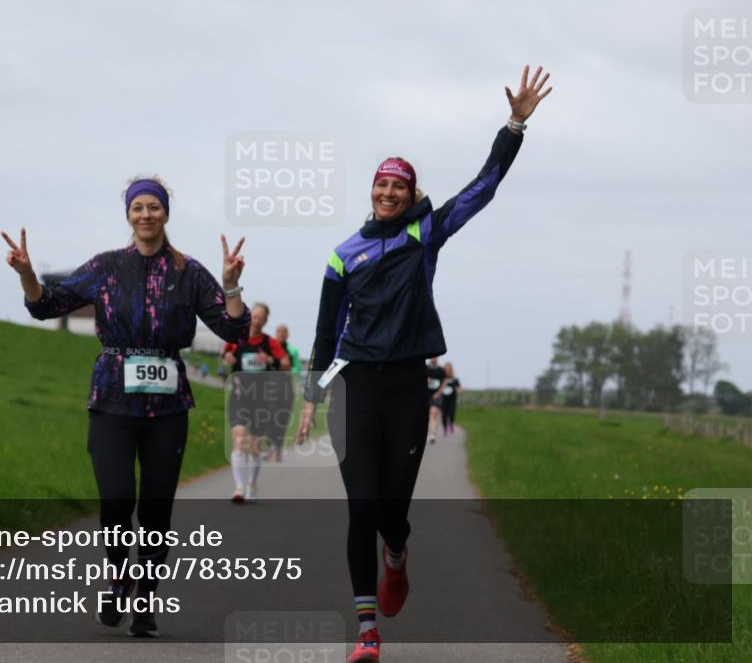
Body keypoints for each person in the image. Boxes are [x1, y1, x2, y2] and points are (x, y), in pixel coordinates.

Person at [296, 66, 551, 663]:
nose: (388, 194)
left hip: (409, 386)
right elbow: (325, 330)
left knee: (392, 513)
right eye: (381, 185)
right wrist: (311, 396)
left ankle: (397, 555)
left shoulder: (426, 235)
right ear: (371, 191)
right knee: (361, 506)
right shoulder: (342, 255)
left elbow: (481, 188)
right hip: (355, 385)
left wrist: (514, 125)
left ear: (410, 195)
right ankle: (365, 631)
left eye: (399, 188)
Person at [4, 176, 250, 637]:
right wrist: (26, 273)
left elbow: (233, 331)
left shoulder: (189, 272)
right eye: (137, 207)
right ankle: (119, 574)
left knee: (156, 512)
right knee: (117, 499)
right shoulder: (106, 267)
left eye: (153, 207)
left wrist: (232, 286)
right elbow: (46, 307)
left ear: (165, 214)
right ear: (128, 215)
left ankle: (145, 600)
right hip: (113, 399)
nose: (145, 215)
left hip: (168, 406)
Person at [221, 303, 290, 500]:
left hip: (261, 400)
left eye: (261, 318)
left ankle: (252, 484)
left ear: (266, 321)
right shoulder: (237, 338)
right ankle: (239, 488)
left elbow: (285, 365)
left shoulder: (270, 343)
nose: (257, 321)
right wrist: (228, 358)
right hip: (239, 397)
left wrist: (269, 360)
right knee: (240, 439)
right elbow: (224, 355)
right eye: (255, 316)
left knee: (256, 446)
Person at [268, 324, 300, 461]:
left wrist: (286, 371)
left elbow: (297, 369)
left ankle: (278, 450)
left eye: (284, 332)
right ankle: (270, 448)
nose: (281, 334)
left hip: (286, 390)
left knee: (282, 420)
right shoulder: (270, 349)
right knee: (269, 419)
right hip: (269, 390)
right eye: (279, 332)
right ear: (276, 333)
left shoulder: (292, 351)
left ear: (287, 335)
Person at [426, 357, 447, 444]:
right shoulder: (425, 368)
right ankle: (427, 432)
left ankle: (432, 434)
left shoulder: (441, 370)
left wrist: (438, 393)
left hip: (436, 395)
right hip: (426, 395)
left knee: (434, 413)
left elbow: (444, 383)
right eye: (432, 357)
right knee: (427, 416)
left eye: (435, 357)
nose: (433, 358)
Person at [441, 363, 462, 436]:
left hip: (452, 399)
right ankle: (445, 429)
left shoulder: (455, 379)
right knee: (444, 414)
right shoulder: (442, 379)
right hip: (444, 399)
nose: (448, 371)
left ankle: (451, 424)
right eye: (446, 369)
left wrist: (458, 390)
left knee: (451, 413)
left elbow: (459, 388)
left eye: (449, 369)